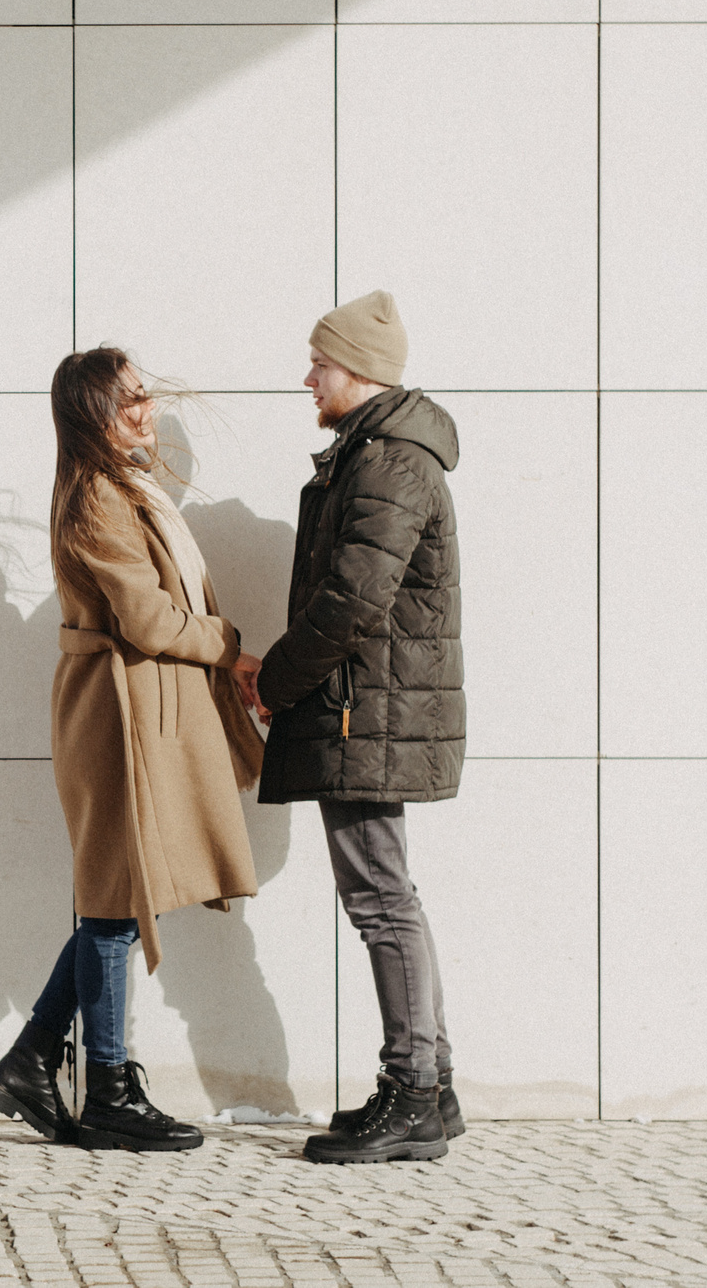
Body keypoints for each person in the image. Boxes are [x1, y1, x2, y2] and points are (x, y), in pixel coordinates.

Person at [0, 348, 269, 1152]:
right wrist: (226, 642)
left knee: (117, 896)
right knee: (115, 902)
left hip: (134, 711)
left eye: (145, 395)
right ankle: (105, 1087)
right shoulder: (98, 498)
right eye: (128, 401)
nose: (147, 411)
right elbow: (144, 619)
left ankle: (34, 1056)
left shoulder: (121, 487)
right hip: (114, 716)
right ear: (91, 418)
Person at [252, 291, 467, 1166]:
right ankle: (429, 1087)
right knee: (388, 893)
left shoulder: (389, 463)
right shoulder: (375, 453)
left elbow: (351, 598)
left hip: (365, 710)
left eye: (321, 363)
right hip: (366, 705)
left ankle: (413, 1092)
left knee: (380, 897)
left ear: (363, 370)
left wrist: (275, 679)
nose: (309, 378)